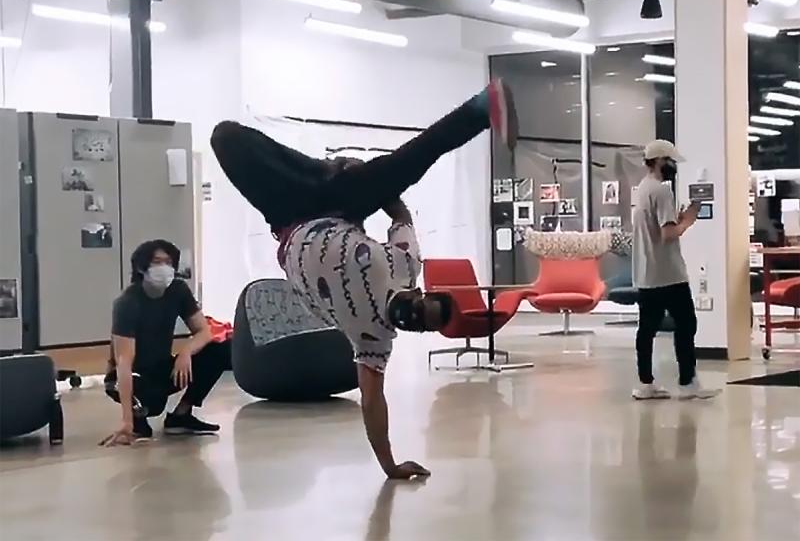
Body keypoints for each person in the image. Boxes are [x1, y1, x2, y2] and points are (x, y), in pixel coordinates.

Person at [211, 80, 517, 478]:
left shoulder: (374, 340)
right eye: (422, 305)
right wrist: (375, 183)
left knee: (225, 138)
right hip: (340, 202)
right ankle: (481, 107)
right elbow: (402, 217)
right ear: (419, 292)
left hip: (288, 216)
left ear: (417, 331)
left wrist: (389, 465)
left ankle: (330, 169)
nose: (414, 312)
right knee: (410, 161)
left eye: (421, 321)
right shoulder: (405, 266)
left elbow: (373, 403)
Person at [101, 240, 230, 446]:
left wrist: (186, 351)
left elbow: (204, 331)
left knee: (220, 349)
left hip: (161, 367)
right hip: (129, 375)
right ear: (142, 267)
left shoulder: (178, 290)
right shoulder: (128, 302)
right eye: (156, 262)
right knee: (150, 408)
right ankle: (136, 420)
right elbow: (124, 363)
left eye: (168, 262)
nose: (163, 267)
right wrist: (126, 420)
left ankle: (181, 415)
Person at [631, 140, 720, 401]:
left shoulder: (642, 189)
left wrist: (678, 219)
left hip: (647, 273)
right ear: (660, 161)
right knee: (686, 324)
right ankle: (687, 381)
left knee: (646, 329)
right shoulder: (661, 191)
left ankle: (646, 383)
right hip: (668, 274)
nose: (673, 167)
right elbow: (668, 234)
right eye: (670, 162)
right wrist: (688, 220)